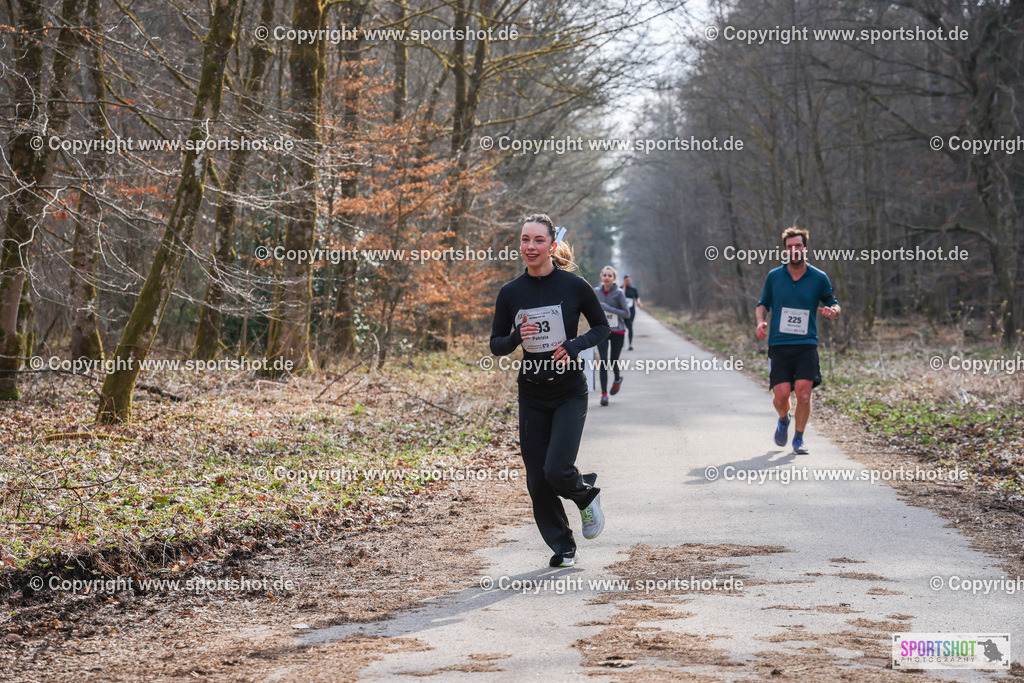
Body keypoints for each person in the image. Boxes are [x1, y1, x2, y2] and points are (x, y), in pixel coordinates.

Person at [490, 214, 609, 568]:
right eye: (525, 239)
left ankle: (585, 495)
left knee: (556, 470)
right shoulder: (511, 292)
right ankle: (563, 546)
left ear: (552, 245)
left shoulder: (575, 286)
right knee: (537, 479)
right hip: (532, 393)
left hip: (569, 390)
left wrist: (574, 345)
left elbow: (602, 327)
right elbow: (496, 344)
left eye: (538, 240)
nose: (530, 246)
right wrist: (516, 337)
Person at [755, 227, 840, 454]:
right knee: (781, 395)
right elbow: (763, 304)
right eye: (790, 247)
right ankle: (784, 418)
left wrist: (833, 310)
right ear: (785, 250)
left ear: (805, 248)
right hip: (779, 344)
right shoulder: (774, 276)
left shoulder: (819, 278)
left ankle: (799, 439)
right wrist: (760, 322)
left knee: (804, 394)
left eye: (798, 246)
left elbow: (833, 302)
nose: (794, 250)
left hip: (806, 344)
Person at [594, 266, 630, 406]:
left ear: (614, 278)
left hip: (617, 331)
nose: (607, 278)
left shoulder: (619, 293)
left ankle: (617, 378)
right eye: (605, 275)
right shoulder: (596, 292)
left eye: (610, 276)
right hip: (602, 330)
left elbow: (626, 314)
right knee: (603, 361)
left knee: (613, 360)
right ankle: (604, 394)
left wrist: (607, 308)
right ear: (601, 277)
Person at [623, 275, 642, 350]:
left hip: (631, 311)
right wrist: (624, 287)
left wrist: (639, 303)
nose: (628, 282)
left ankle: (630, 344)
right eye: (627, 280)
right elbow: (621, 295)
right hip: (623, 311)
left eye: (629, 280)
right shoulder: (621, 289)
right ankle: (622, 341)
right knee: (623, 327)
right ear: (624, 281)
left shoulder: (633, 289)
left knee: (630, 326)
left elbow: (637, 297)